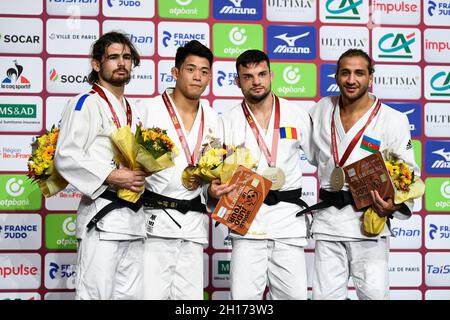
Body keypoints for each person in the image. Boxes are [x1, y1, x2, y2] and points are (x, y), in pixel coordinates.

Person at [308, 49, 420, 300]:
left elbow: (408, 174)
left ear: (371, 78)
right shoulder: (321, 110)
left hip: (368, 222)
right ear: (336, 76)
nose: (351, 79)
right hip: (328, 222)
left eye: (359, 73)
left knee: (374, 296)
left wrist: (392, 205)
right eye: (345, 72)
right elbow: (314, 156)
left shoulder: (394, 119)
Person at [54, 31, 147, 300]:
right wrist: (112, 175)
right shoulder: (85, 103)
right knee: (95, 296)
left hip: (133, 220)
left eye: (127, 57)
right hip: (102, 219)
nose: (122, 63)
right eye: (113, 57)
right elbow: (67, 155)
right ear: (97, 64)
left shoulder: (133, 109)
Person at [138, 40, 231, 300]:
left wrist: (214, 188)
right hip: (153, 222)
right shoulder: (147, 109)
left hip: (193, 224)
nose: (197, 77)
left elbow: (213, 173)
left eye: (204, 71)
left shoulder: (214, 118)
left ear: (210, 77)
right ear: (176, 72)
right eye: (191, 69)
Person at [218, 49, 313, 300]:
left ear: (271, 75)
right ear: (237, 82)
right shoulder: (227, 121)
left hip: (288, 223)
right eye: (247, 76)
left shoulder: (297, 115)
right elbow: (215, 174)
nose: (256, 81)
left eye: (261, 74)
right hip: (246, 222)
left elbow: (320, 159)